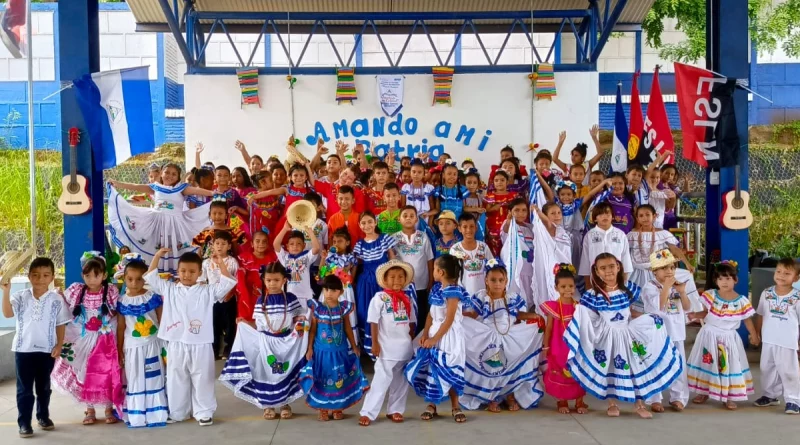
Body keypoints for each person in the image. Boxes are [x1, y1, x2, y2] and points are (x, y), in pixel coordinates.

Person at [566, 253, 683, 417]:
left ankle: (640, 405)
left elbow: (635, 311)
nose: (608, 271)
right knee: (610, 369)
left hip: (628, 334)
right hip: (607, 338)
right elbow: (590, 317)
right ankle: (612, 404)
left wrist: (647, 319)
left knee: (635, 367)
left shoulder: (628, 289)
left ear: (619, 267)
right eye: (603, 268)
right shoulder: (592, 295)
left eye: (612, 266)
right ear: (597, 272)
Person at [144, 248, 237, 426]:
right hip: (176, 342)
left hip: (200, 342)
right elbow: (151, 276)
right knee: (175, 377)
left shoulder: (207, 291)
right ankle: (178, 412)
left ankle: (204, 412)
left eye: (192, 271)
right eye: (183, 271)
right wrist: (157, 256)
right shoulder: (170, 288)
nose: (187, 275)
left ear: (200, 273)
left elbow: (227, 283)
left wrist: (221, 263)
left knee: (203, 377)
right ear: (177, 271)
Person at [219, 262, 308, 420]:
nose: (272, 284)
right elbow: (259, 325)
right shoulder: (261, 301)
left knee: (284, 373)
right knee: (267, 373)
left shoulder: (291, 298)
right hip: (266, 342)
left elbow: (297, 318)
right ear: (264, 280)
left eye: (276, 280)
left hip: (286, 342)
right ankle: (268, 405)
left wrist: (302, 323)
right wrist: (245, 324)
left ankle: (285, 403)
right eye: (268, 280)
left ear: (284, 281)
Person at [460, 260, 544, 412]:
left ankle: (509, 395)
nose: (497, 284)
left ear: (506, 281)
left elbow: (517, 315)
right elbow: (473, 314)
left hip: (509, 335)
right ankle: (492, 397)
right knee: (492, 367)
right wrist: (456, 316)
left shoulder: (512, 298)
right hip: (488, 337)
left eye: (501, 280)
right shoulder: (482, 297)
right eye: (493, 280)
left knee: (511, 362)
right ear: (486, 280)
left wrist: (533, 316)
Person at [50, 252, 123, 425]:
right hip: (81, 337)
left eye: (96, 275)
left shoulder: (111, 291)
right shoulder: (76, 290)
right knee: (84, 372)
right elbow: (66, 308)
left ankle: (108, 407)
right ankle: (89, 409)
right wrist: (59, 296)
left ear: (104, 275)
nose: (91, 279)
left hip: (105, 338)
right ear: (83, 275)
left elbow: (118, 312)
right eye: (87, 275)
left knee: (106, 372)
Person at [2, 257, 70, 438]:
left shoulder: (56, 300)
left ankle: (43, 417)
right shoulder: (21, 296)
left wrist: (59, 345)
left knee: (44, 388)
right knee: (24, 389)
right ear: (29, 276)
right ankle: (24, 423)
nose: (40, 279)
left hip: (47, 350)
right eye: (36, 275)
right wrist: (6, 292)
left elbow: (60, 323)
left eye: (46, 275)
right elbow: (8, 314)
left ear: (52, 277)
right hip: (23, 350)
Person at [107, 163, 215, 272]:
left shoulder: (181, 188)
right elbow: (136, 186)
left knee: (173, 247)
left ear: (178, 177)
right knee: (156, 246)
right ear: (161, 174)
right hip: (156, 224)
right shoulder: (155, 187)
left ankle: (174, 272)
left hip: (175, 225)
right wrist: (117, 184)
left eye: (174, 174)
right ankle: (156, 271)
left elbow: (197, 191)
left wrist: (213, 193)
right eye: (167, 172)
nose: (170, 175)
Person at [687, 261, 760, 410]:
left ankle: (729, 395)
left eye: (727, 278)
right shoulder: (711, 296)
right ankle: (704, 391)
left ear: (735, 280)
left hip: (728, 338)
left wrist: (753, 335)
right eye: (720, 279)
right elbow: (705, 313)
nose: (724, 282)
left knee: (727, 365)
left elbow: (747, 319)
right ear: (716, 281)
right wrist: (694, 315)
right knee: (706, 363)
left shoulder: (741, 301)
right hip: (708, 335)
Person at [405, 254, 468, 423]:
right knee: (432, 369)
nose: (433, 271)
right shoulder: (436, 289)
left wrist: (435, 339)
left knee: (451, 369)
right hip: (434, 333)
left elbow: (449, 319)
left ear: (440, 271)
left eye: (434, 269)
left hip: (449, 336)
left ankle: (456, 405)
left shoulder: (454, 292)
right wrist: (425, 335)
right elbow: (431, 315)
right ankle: (432, 404)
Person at [300, 275, 369, 421]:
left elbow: (348, 328)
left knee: (339, 378)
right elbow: (313, 330)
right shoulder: (318, 308)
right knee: (322, 379)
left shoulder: (342, 308)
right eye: (326, 290)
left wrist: (354, 346)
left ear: (340, 292)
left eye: (333, 290)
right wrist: (310, 349)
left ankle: (338, 408)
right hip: (321, 352)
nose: (329, 293)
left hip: (340, 351)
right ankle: (323, 408)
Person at [358, 260, 417, 426]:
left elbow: (411, 324)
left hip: (404, 347)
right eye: (392, 276)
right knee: (380, 381)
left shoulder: (407, 299)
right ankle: (368, 412)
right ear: (385, 279)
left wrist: (411, 341)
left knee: (401, 381)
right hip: (386, 347)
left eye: (400, 277)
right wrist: (375, 343)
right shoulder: (379, 298)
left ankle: (396, 410)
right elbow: (374, 322)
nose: (397, 280)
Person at [115, 255, 168, 428]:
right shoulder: (122, 302)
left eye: (139, 279)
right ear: (124, 278)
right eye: (130, 279)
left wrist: (165, 345)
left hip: (153, 344)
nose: (134, 283)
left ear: (145, 278)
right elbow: (121, 328)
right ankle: (137, 415)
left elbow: (161, 321)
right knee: (135, 378)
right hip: (132, 348)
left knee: (155, 377)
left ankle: (156, 413)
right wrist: (119, 350)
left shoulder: (153, 297)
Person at [641, 249, 692, 412]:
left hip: (676, 332)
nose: (669, 271)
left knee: (678, 365)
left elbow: (687, 307)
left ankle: (678, 397)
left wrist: (682, 292)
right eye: (664, 268)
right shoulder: (649, 287)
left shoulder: (677, 285)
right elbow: (658, 306)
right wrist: (667, 287)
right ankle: (655, 398)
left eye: (672, 267)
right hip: (658, 333)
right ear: (655, 272)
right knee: (656, 364)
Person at [753, 258, 800, 414]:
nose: (781, 275)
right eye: (779, 271)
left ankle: (793, 400)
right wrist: (757, 334)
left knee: (789, 371)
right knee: (767, 368)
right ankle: (770, 395)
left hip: (788, 341)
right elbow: (760, 314)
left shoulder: (797, 297)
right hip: (768, 339)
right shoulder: (766, 293)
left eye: (787, 273)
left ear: (796, 278)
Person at [627, 205, 698, 306]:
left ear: (654, 216)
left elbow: (674, 249)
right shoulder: (631, 235)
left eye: (648, 215)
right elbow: (625, 253)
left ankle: (679, 313)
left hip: (659, 272)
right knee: (635, 298)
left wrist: (687, 264)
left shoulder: (663, 233)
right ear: (637, 218)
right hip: (636, 272)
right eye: (641, 216)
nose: (645, 218)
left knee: (684, 277)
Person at [541, 264, 586, 415]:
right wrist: (546, 347)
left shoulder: (578, 307)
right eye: (563, 286)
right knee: (560, 373)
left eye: (571, 286)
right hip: (558, 347)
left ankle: (580, 401)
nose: (567, 290)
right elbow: (548, 328)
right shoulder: (553, 307)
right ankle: (562, 401)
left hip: (575, 347)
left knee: (577, 373)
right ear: (556, 287)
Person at [353, 212, 398, 351]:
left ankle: (386, 345)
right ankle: (369, 346)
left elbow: (392, 257)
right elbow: (356, 264)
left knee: (384, 310)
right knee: (365, 311)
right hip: (365, 282)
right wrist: (351, 280)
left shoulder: (384, 238)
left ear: (375, 222)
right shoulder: (359, 244)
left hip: (383, 280)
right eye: (364, 223)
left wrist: (393, 278)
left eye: (370, 222)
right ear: (360, 226)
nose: (367, 225)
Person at [393, 206, 434, 337]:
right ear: (399, 219)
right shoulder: (394, 238)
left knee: (421, 313)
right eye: (405, 216)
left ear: (416, 219)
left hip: (421, 284)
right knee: (404, 314)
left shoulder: (423, 236)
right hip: (403, 285)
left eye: (412, 216)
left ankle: (419, 342)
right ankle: (405, 341)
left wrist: (431, 280)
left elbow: (429, 259)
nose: (408, 218)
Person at [200, 230, 240, 360]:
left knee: (229, 325)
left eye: (223, 244)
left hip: (228, 298)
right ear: (212, 245)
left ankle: (228, 349)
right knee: (213, 325)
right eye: (217, 243)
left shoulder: (232, 262)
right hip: (212, 299)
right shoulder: (206, 263)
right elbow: (202, 280)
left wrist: (230, 293)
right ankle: (214, 349)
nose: (219, 246)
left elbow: (236, 280)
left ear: (229, 246)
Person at [318, 228, 359, 343]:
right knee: (328, 309)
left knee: (344, 312)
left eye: (340, 241)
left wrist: (347, 274)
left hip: (344, 289)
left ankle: (348, 342)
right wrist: (323, 258)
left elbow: (351, 276)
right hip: (329, 288)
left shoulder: (351, 258)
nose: (336, 244)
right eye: (334, 241)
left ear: (347, 243)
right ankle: (328, 338)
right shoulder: (329, 256)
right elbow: (321, 271)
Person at [531, 203, 573, 309]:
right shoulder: (550, 229)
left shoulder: (561, 230)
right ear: (546, 216)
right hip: (555, 270)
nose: (557, 215)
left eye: (559, 213)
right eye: (553, 213)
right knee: (557, 294)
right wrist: (538, 212)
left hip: (567, 268)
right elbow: (548, 223)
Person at [578, 203, 633, 283]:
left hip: (616, 280)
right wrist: (588, 285)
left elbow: (626, 259)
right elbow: (585, 260)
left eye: (607, 213)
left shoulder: (621, 234)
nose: (604, 216)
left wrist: (624, 282)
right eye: (600, 214)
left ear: (612, 216)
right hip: (596, 280)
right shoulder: (589, 235)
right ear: (595, 219)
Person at [273, 223, 321, 310]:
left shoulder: (306, 257)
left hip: (305, 297)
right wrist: (284, 229)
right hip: (290, 297)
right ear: (287, 246)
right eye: (291, 244)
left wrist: (310, 232)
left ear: (304, 246)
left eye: (298, 244)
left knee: (305, 322)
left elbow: (316, 248)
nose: (295, 246)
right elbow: (276, 244)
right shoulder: (285, 258)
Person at [235, 230, 278, 324]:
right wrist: (244, 297)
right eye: (257, 241)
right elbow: (240, 280)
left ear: (268, 244)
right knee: (247, 323)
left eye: (264, 241)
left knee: (266, 323)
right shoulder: (244, 259)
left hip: (268, 297)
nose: (261, 244)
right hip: (249, 297)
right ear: (252, 243)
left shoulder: (273, 259)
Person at [500, 198, 535, 307]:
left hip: (531, 269)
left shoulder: (531, 227)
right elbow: (506, 229)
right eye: (517, 210)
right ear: (510, 212)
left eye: (524, 210)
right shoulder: (509, 225)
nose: (521, 213)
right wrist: (509, 221)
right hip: (517, 271)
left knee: (532, 298)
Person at [450, 213, 494, 296]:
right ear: (459, 228)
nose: (468, 230)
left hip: (484, 293)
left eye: (471, 226)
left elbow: (492, 268)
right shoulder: (454, 249)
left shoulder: (483, 247)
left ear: (476, 228)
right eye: (465, 227)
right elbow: (453, 274)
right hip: (464, 294)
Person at [484, 171, 516, 256]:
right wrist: (494, 208)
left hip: (508, 225)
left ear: (507, 182)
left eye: (502, 180)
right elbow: (486, 210)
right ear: (493, 182)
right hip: (494, 225)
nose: (499, 183)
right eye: (496, 180)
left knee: (509, 247)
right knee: (494, 248)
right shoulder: (491, 196)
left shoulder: (513, 195)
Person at [401, 159, 436, 223]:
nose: (416, 174)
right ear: (410, 173)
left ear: (423, 174)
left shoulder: (428, 188)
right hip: (409, 221)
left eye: (419, 172)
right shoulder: (405, 188)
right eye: (413, 172)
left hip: (424, 221)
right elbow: (403, 207)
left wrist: (430, 224)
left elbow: (432, 209)